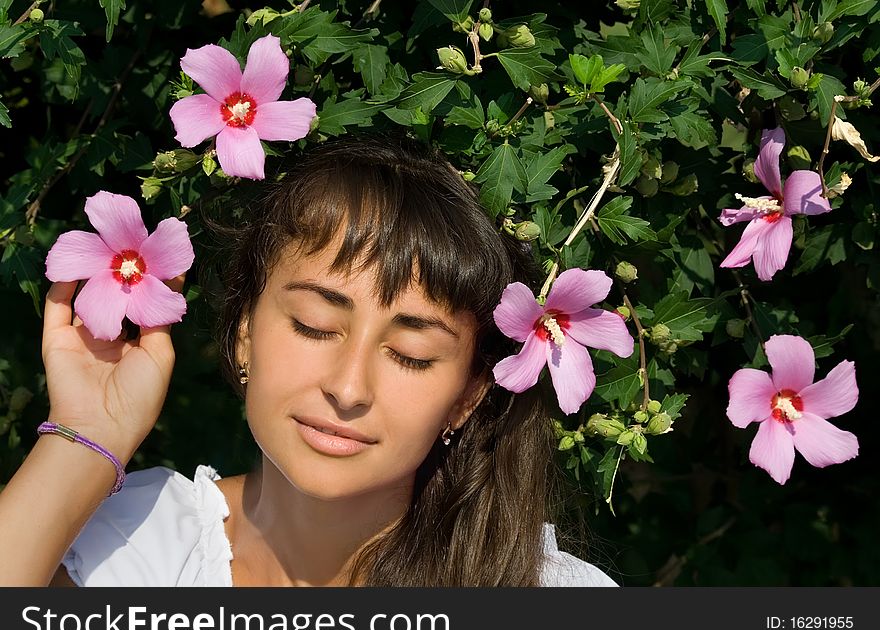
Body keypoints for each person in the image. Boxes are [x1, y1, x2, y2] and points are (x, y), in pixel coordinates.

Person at [0, 134, 618, 587]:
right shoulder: (137, 548)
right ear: (243, 331)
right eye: (315, 326)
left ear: (468, 395)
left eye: (411, 354)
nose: (349, 388)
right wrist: (88, 435)